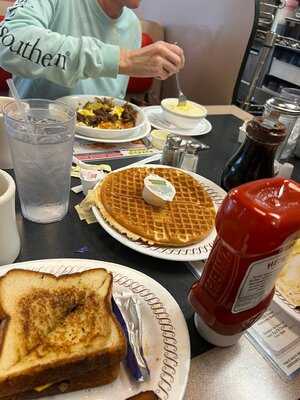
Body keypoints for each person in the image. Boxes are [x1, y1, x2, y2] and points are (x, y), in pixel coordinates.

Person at [0, 0, 184, 99]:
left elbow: (114, 100)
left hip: (101, 147)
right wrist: (122, 59)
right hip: (35, 136)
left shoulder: (132, 25)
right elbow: (7, 43)